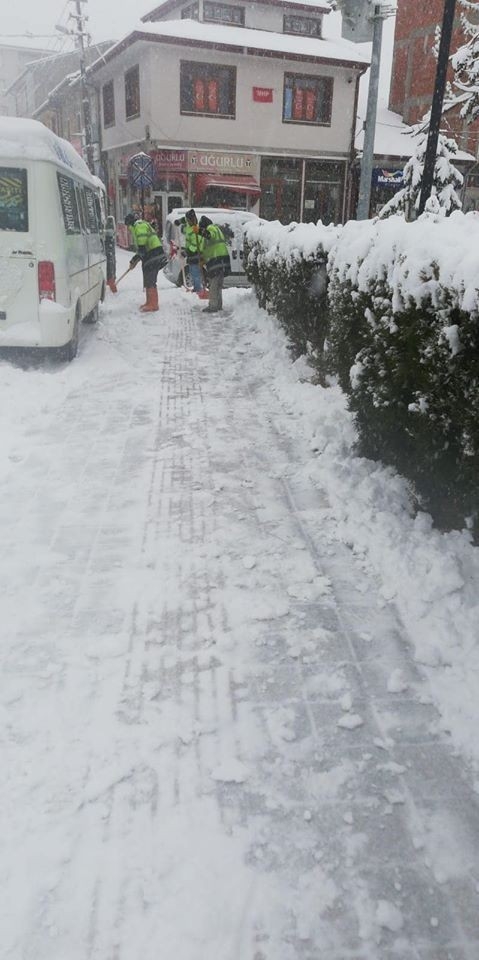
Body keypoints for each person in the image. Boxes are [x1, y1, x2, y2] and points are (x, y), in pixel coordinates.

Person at [124, 212, 164, 312]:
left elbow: (142, 247)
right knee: (148, 278)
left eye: (128, 226)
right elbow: (141, 251)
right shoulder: (141, 225)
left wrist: (134, 260)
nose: (128, 229)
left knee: (150, 279)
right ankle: (149, 302)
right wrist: (136, 259)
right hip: (150, 254)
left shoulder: (139, 226)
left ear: (130, 223)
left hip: (153, 254)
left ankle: (153, 304)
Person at [198, 216, 231, 313]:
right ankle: (218, 305)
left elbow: (209, 235)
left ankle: (213, 306)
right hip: (222, 259)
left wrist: (199, 231)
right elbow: (208, 246)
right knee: (218, 284)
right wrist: (203, 259)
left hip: (216, 259)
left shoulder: (211, 228)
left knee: (213, 285)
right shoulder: (217, 229)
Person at [174, 208, 208, 299]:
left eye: (188, 220)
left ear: (192, 219)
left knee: (195, 272)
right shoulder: (189, 222)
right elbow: (184, 219)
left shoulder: (196, 230)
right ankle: (196, 288)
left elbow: (196, 245)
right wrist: (179, 221)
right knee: (193, 272)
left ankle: (198, 290)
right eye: (187, 219)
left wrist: (187, 252)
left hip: (196, 253)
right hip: (191, 252)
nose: (187, 221)